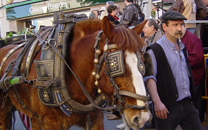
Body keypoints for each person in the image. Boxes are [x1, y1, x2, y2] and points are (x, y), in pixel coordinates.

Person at [144, 10, 203, 130]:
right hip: (166, 107)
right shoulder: (154, 50)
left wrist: (189, 98)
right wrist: (157, 102)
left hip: (187, 105)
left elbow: (186, 74)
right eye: (175, 25)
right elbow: (150, 78)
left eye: (181, 25)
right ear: (164, 27)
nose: (179, 28)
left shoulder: (182, 47)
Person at [181, 25, 205, 122]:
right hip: (186, 78)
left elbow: (197, 58)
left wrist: (180, 62)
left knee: (196, 104)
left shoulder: (193, 39)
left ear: (184, 26)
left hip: (195, 78)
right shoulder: (179, 39)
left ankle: (197, 122)